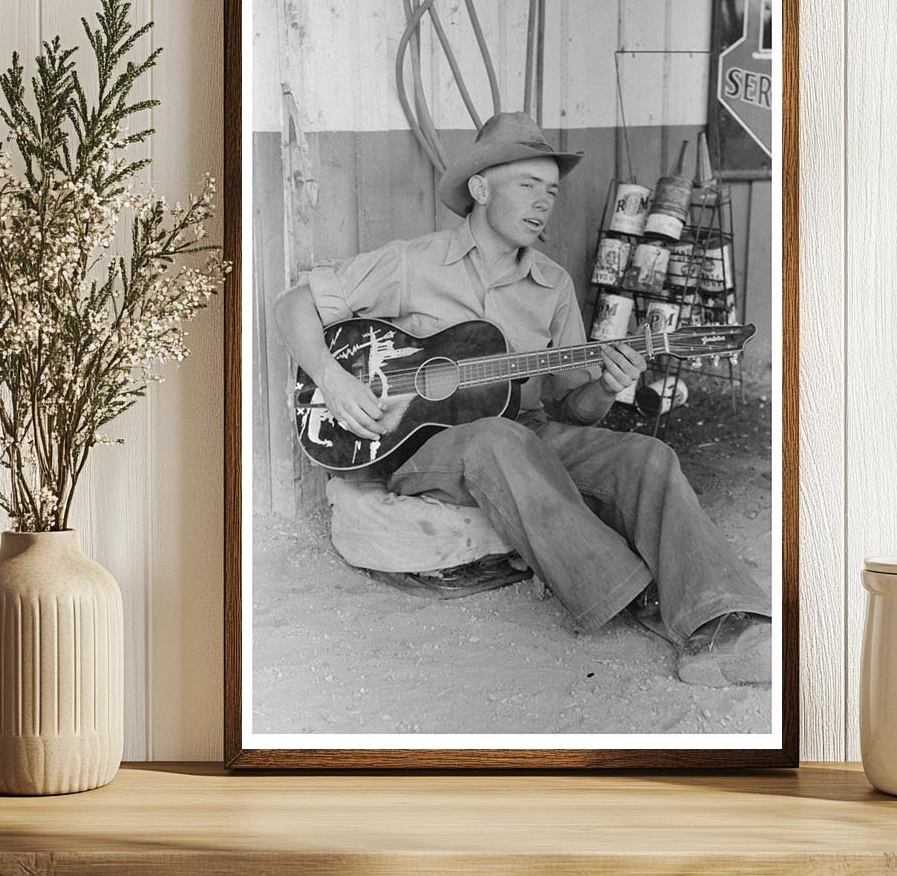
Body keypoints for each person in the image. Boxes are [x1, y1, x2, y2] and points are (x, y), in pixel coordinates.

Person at [275, 111, 772, 688]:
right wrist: (335, 381)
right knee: (496, 437)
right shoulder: (414, 262)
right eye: (527, 186)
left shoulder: (554, 285)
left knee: (646, 456)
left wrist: (608, 386)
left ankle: (724, 620)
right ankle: (641, 597)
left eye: (552, 190)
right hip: (423, 451)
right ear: (481, 189)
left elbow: (570, 409)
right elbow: (293, 305)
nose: (543, 203)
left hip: (524, 432)